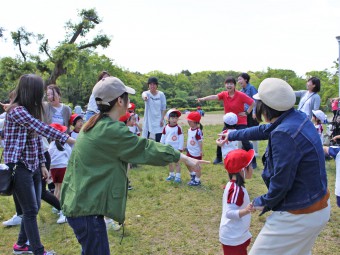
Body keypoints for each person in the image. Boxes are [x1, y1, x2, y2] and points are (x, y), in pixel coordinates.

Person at [60, 76, 209, 255]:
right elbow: (145, 148)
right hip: (86, 210)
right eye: (127, 97)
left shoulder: (94, 124)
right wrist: (185, 158)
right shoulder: (110, 130)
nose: (129, 101)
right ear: (120, 101)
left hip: (80, 204)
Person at [224, 78, 330, 255]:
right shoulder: (297, 117)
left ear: (265, 106)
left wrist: (261, 202)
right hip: (317, 206)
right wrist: (233, 134)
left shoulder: (284, 133)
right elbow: (265, 130)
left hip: (298, 213)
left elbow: (282, 181)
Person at [2, 74, 75, 255]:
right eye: (40, 91)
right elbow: (41, 128)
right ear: (31, 92)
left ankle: (20, 245)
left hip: (33, 165)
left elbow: (35, 139)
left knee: (34, 207)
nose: (43, 96)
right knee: (30, 210)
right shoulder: (17, 111)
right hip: (19, 167)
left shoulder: (27, 110)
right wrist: (69, 139)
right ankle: (38, 251)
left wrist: (42, 164)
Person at [197, 76, 255, 166]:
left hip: (240, 121)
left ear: (234, 85)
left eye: (231, 84)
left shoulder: (240, 95)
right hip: (229, 122)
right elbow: (214, 96)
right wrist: (203, 99)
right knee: (222, 138)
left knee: (244, 140)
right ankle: (219, 158)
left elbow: (252, 102)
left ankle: (252, 160)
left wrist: (247, 113)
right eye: (227, 84)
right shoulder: (224, 94)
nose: (229, 85)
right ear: (225, 85)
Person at [220, 149, 255, 255]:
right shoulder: (235, 189)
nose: (252, 168)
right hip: (233, 237)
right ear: (242, 170)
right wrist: (246, 210)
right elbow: (229, 213)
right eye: (250, 165)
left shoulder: (234, 185)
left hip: (237, 235)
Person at [48, 123, 72, 224]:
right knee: (62, 189)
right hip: (63, 168)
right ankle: (62, 209)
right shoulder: (64, 145)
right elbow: (70, 155)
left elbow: (48, 157)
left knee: (57, 188)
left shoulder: (51, 145)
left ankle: (56, 206)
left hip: (54, 169)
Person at [238, 73, 259, 158]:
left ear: (245, 79)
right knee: (244, 132)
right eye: (238, 80)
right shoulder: (241, 91)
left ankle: (256, 152)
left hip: (252, 114)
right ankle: (243, 150)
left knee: (253, 132)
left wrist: (254, 112)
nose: (239, 81)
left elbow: (256, 100)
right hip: (245, 113)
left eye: (240, 79)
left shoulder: (251, 88)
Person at [161, 109, 184, 183]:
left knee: (177, 163)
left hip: (176, 148)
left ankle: (178, 177)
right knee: (170, 162)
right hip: (168, 148)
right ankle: (171, 175)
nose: (175, 120)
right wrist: (162, 145)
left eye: (176, 118)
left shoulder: (178, 128)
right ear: (168, 119)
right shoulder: (166, 127)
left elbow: (181, 138)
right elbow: (163, 137)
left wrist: (180, 148)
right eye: (172, 118)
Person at [141, 77, 167, 142]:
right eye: (150, 84)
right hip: (149, 120)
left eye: (154, 84)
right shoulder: (147, 93)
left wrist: (162, 119)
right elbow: (143, 95)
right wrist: (145, 98)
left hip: (159, 120)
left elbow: (163, 108)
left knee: (159, 139)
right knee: (147, 139)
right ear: (148, 85)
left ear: (157, 85)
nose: (152, 86)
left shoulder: (161, 94)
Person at [185, 111, 204, 186]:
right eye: (188, 120)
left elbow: (200, 142)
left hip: (196, 152)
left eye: (190, 120)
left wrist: (201, 151)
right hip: (189, 151)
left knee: (197, 166)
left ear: (195, 122)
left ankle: (197, 180)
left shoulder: (198, 131)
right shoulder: (189, 129)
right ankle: (193, 175)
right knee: (187, 163)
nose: (188, 121)